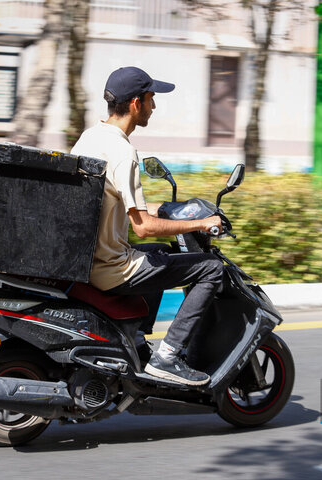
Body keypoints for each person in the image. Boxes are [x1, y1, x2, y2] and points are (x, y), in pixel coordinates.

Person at [70, 66, 223, 386]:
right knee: (211, 268)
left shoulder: (90, 137)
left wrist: (159, 209)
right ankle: (167, 357)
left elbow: (113, 199)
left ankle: (136, 339)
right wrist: (202, 223)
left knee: (158, 252)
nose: (154, 106)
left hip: (87, 259)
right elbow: (142, 227)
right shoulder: (123, 151)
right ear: (136, 103)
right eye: (152, 99)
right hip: (111, 267)